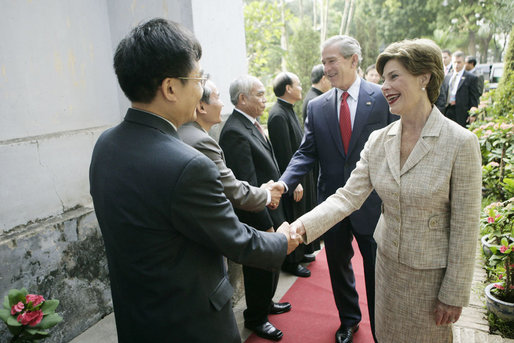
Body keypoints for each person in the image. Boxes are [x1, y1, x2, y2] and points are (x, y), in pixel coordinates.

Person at [89, 19, 300, 343]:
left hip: (138, 316)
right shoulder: (188, 164)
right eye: (198, 79)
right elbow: (237, 240)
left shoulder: (105, 144)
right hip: (191, 322)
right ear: (171, 88)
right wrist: (282, 240)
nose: (201, 89)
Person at [290, 38, 481, 343]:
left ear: (425, 77)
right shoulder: (379, 140)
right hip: (387, 271)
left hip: (430, 283)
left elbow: (466, 225)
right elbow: (347, 196)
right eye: (383, 78)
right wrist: (299, 229)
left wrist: (454, 292)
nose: (384, 86)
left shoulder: (459, 143)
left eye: (394, 76)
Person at [276, 35, 397, 343]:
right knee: (338, 265)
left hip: (373, 203)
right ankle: (349, 321)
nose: (326, 68)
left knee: (375, 270)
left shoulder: (383, 99)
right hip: (332, 203)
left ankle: (380, 327)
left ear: (353, 60)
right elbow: (306, 152)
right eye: (324, 62)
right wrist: (284, 181)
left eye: (332, 61)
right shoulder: (316, 107)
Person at [219, 75, 290, 341]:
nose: (264, 99)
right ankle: (256, 317)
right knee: (259, 267)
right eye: (259, 95)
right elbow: (246, 182)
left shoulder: (250, 124)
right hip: (258, 213)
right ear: (243, 99)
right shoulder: (235, 132)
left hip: (270, 205)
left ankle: (267, 303)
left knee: (270, 265)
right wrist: (265, 222)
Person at [178, 79, 283, 211]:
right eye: (218, 97)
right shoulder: (203, 141)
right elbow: (231, 189)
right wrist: (266, 194)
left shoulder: (189, 133)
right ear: (202, 107)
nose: (222, 104)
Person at [267, 72, 319, 278]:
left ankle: (301, 252)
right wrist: (294, 181)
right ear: (288, 88)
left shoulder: (287, 110)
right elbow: (283, 152)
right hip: (291, 181)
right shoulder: (278, 114)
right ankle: (291, 261)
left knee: (301, 213)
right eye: (297, 85)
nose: (300, 88)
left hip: (298, 178)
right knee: (293, 216)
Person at [436, 51, 480, 127]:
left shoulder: (471, 78)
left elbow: (474, 98)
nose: (456, 65)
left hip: (461, 113)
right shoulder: (447, 77)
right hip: (447, 111)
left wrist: (473, 114)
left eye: (459, 62)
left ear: (464, 63)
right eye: (454, 62)